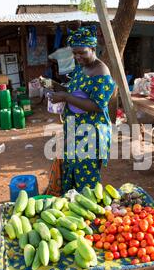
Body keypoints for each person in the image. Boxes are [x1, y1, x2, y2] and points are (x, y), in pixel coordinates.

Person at [48, 25, 116, 194]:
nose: (78, 57)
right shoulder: (81, 68)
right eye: (74, 53)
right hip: (75, 129)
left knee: (86, 176)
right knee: (72, 168)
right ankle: (72, 207)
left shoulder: (101, 72)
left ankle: (87, 213)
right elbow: (73, 90)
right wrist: (53, 85)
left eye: (82, 52)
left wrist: (65, 97)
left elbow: (97, 106)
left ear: (93, 48)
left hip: (91, 132)